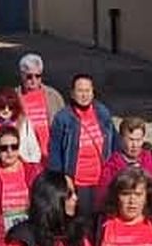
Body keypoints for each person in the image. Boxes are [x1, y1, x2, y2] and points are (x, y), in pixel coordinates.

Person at [48, 74, 116, 216]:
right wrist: (63, 179)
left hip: (102, 181)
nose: (84, 95)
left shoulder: (102, 113)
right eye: (80, 91)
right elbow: (55, 152)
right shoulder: (63, 118)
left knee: (101, 220)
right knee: (81, 222)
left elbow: (115, 143)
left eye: (87, 91)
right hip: (77, 183)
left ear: (93, 92)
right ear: (72, 93)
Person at [96, 117, 152, 218]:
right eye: (130, 140)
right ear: (121, 139)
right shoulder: (111, 167)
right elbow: (102, 199)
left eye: (138, 140)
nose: (134, 145)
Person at [0, 87, 42, 166]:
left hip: (22, 168)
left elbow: (34, 151)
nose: (6, 110)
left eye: (10, 107)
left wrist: (26, 164)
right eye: (2, 107)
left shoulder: (24, 123)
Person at [17, 53, 64, 156]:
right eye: (29, 76)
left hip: (51, 152)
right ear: (22, 75)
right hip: (25, 153)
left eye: (38, 76)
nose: (34, 80)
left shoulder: (53, 96)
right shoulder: (14, 97)